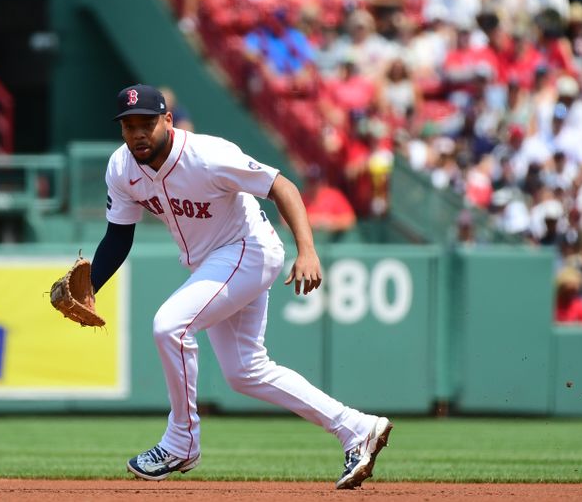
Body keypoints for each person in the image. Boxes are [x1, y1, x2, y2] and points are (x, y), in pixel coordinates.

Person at [92, 84, 392, 489]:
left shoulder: (207, 156)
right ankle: (357, 429)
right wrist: (91, 285)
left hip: (248, 249)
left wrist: (306, 250)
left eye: (147, 122)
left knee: (170, 325)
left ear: (167, 120)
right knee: (245, 372)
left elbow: (282, 186)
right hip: (211, 263)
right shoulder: (121, 168)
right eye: (129, 125)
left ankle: (181, 441)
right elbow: (117, 238)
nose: (138, 133)